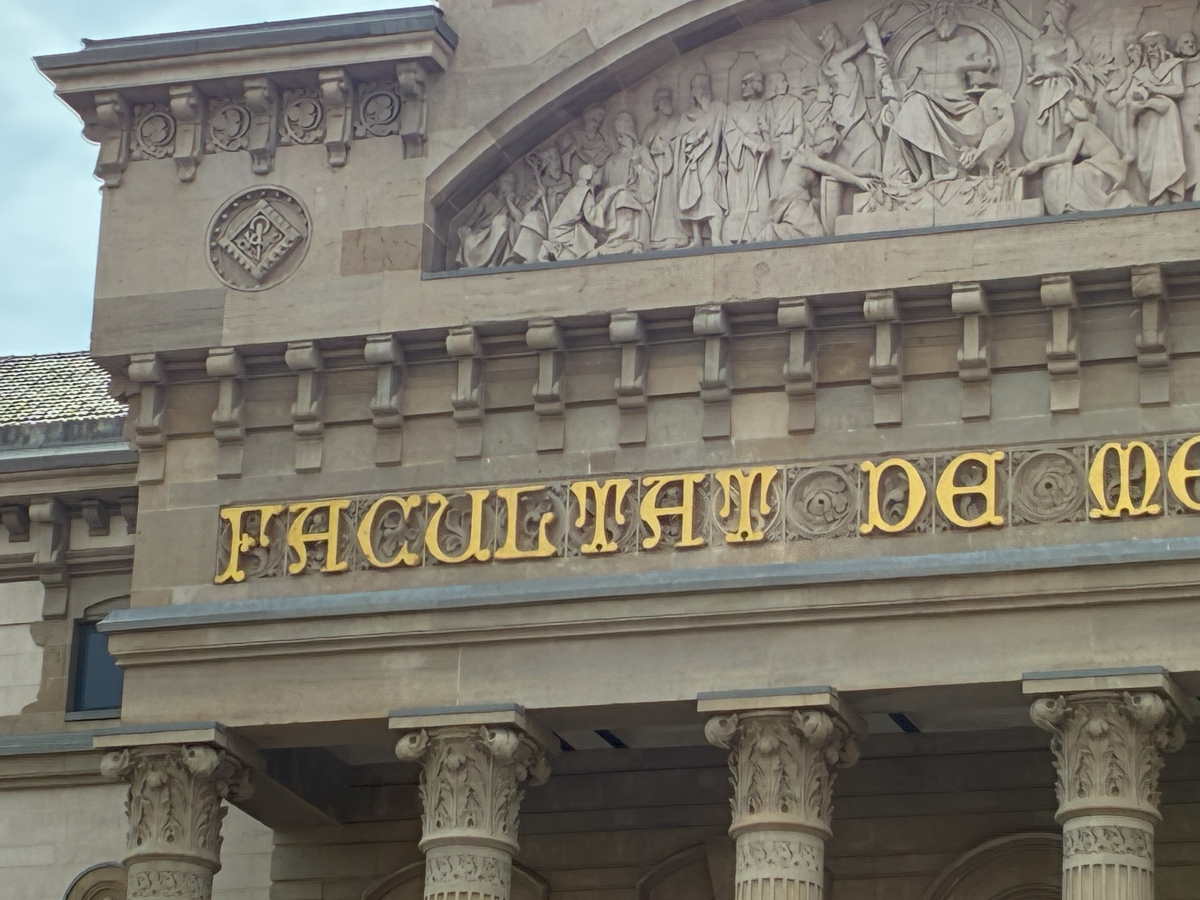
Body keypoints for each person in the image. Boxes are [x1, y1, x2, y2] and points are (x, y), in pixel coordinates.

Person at [879, 0, 993, 187]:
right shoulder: (920, 52)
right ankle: (925, 171)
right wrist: (884, 75)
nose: (944, 12)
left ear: (957, 14)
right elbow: (902, 86)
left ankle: (966, 157)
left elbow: (981, 84)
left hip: (961, 109)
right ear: (932, 16)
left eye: (949, 7)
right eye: (940, 8)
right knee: (913, 103)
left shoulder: (971, 41)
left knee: (978, 117)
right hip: (928, 107)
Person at [756, 128, 877, 242]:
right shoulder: (804, 154)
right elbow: (832, 169)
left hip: (802, 201)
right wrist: (858, 181)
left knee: (816, 234)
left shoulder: (815, 159)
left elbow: (841, 169)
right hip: (792, 201)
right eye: (833, 143)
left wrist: (867, 173)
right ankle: (771, 232)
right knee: (815, 234)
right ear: (825, 141)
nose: (832, 149)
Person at [1020, 95, 1136, 212]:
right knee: (1065, 172)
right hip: (1104, 165)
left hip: (1106, 166)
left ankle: (1074, 206)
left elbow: (1068, 157)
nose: (1063, 114)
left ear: (1075, 114)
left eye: (1067, 111)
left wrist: (1038, 163)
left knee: (1073, 174)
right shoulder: (1082, 128)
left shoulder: (1082, 126)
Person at [818, 23, 884, 175]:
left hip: (854, 106)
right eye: (841, 38)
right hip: (844, 109)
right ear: (834, 42)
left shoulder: (842, 61)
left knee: (871, 141)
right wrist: (872, 34)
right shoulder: (834, 60)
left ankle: (871, 174)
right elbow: (860, 46)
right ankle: (848, 174)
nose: (845, 40)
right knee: (849, 143)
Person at [1130, 32, 1187, 205]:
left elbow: (1179, 89)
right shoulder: (1140, 73)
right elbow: (1132, 96)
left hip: (1166, 116)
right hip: (1147, 119)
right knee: (1146, 161)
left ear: (1162, 47)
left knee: (1168, 152)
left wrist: (1154, 88)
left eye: (1154, 46)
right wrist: (1139, 101)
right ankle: (1155, 194)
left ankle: (1169, 192)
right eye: (1147, 48)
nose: (1150, 51)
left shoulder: (1173, 65)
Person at [591, 112, 659, 256]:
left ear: (630, 134)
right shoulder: (611, 161)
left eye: (622, 135)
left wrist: (638, 166)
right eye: (618, 136)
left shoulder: (641, 152)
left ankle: (623, 238)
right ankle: (615, 240)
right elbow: (602, 185)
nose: (619, 139)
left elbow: (652, 177)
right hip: (612, 200)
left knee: (623, 198)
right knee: (615, 198)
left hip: (636, 199)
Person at [675, 73, 729, 248]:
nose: (695, 91)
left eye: (697, 87)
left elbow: (725, 134)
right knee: (693, 197)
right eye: (694, 87)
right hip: (693, 162)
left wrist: (723, 157)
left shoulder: (718, 108)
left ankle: (716, 237)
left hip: (712, 160)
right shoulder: (688, 115)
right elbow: (678, 139)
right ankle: (697, 238)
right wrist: (692, 141)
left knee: (712, 194)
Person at [723, 70, 772, 243]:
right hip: (740, 155)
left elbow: (766, 129)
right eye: (743, 83)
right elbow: (730, 132)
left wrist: (766, 143)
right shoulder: (733, 108)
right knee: (739, 196)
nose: (743, 87)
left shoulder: (763, 106)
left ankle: (758, 233)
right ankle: (738, 234)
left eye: (747, 83)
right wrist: (752, 145)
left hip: (758, 157)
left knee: (759, 195)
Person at [642, 88, 687, 250]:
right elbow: (642, 149)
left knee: (671, 200)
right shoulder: (651, 127)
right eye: (663, 100)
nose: (667, 103)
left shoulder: (678, 121)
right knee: (661, 203)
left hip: (675, 167)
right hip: (657, 168)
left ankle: (676, 235)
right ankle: (659, 237)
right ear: (657, 104)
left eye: (669, 99)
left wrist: (669, 150)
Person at [511, 148, 573, 264]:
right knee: (533, 217)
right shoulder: (538, 183)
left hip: (564, 222)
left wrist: (550, 191)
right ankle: (529, 257)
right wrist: (537, 196)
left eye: (557, 160)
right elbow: (524, 211)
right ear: (546, 168)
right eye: (553, 162)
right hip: (545, 225)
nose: (557, 164)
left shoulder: (566, 179)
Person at [456, 172, 522, 268]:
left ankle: (494, 261)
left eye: (512, 184)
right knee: (469, 238)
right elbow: (475, 215)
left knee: (502, 220)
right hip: (482, 231)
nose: (510, 186)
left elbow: (519, 219)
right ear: (499, 184)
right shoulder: (489, 197)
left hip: (499, 232)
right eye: (507, 182)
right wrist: (466, 226)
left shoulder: (513, 200)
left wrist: (509, 202)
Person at [762, 73, 806, 197]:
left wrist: (793, 147)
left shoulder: (794, 102)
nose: (786, 83)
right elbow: (763, 128)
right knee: (773, 185)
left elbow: (799, 127)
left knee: (784, 185)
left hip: (786, 146)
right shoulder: (767, 105)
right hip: (771, 148)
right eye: (783, 81)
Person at [558, 105, 612, 181]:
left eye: (600, 123)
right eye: (595, 120)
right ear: (587, 118)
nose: (597, 125)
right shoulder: (573, 134)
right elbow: (564, 154)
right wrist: (572, 150)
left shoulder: (602, 145)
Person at [1176, 33, 1200, 198]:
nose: (1191, 45)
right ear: (1179, 46)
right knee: (1187, 152)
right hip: (1183, 113)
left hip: (1197, 112)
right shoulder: (1176, 65)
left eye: (1193, 42)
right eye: (1186, 42)